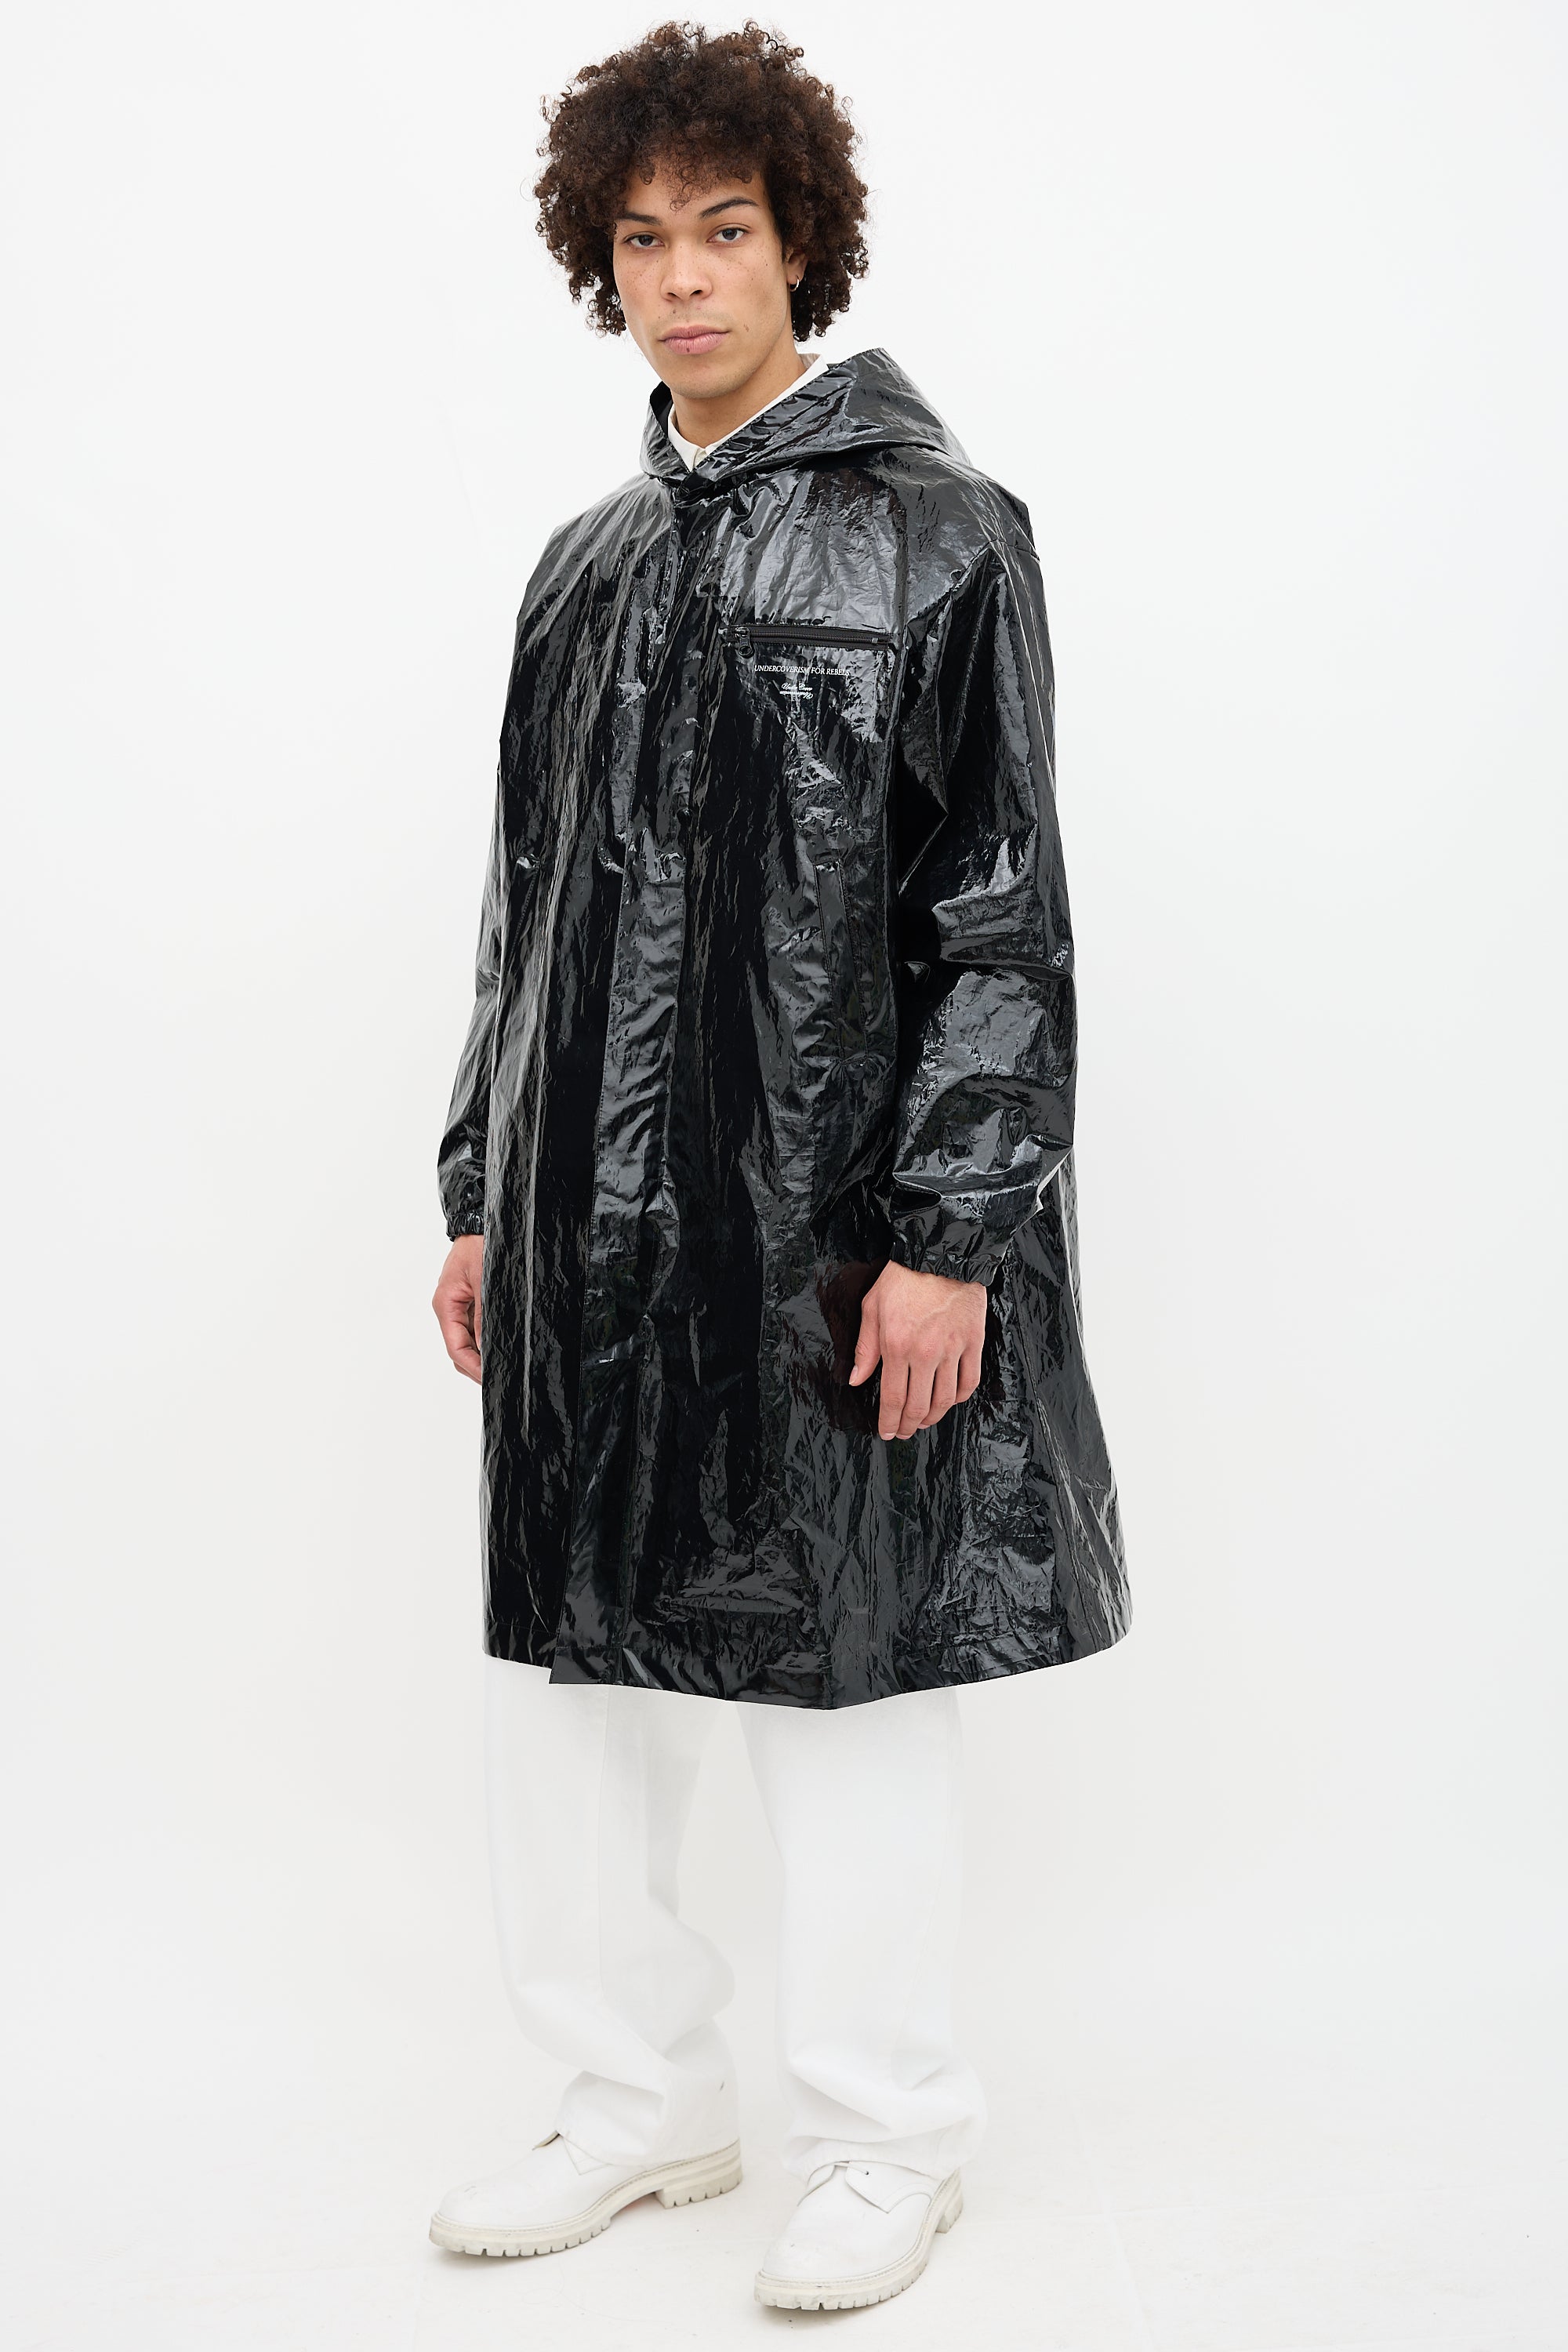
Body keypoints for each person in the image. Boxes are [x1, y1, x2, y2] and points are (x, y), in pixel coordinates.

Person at [428, 19, 1130, 2314]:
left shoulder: (945, 538)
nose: (682, 279)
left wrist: (954, 1234)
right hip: (587, 1230)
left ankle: (888, 2133)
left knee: (849, 1682)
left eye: (723, 231)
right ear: (601, 265)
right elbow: (525, 919)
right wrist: (481, 1187)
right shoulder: (581, 573)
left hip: (824, 1230)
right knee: (583, 1697)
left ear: (800, 244)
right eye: (641, 241)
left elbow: (998, 911)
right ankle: (637, 2098)